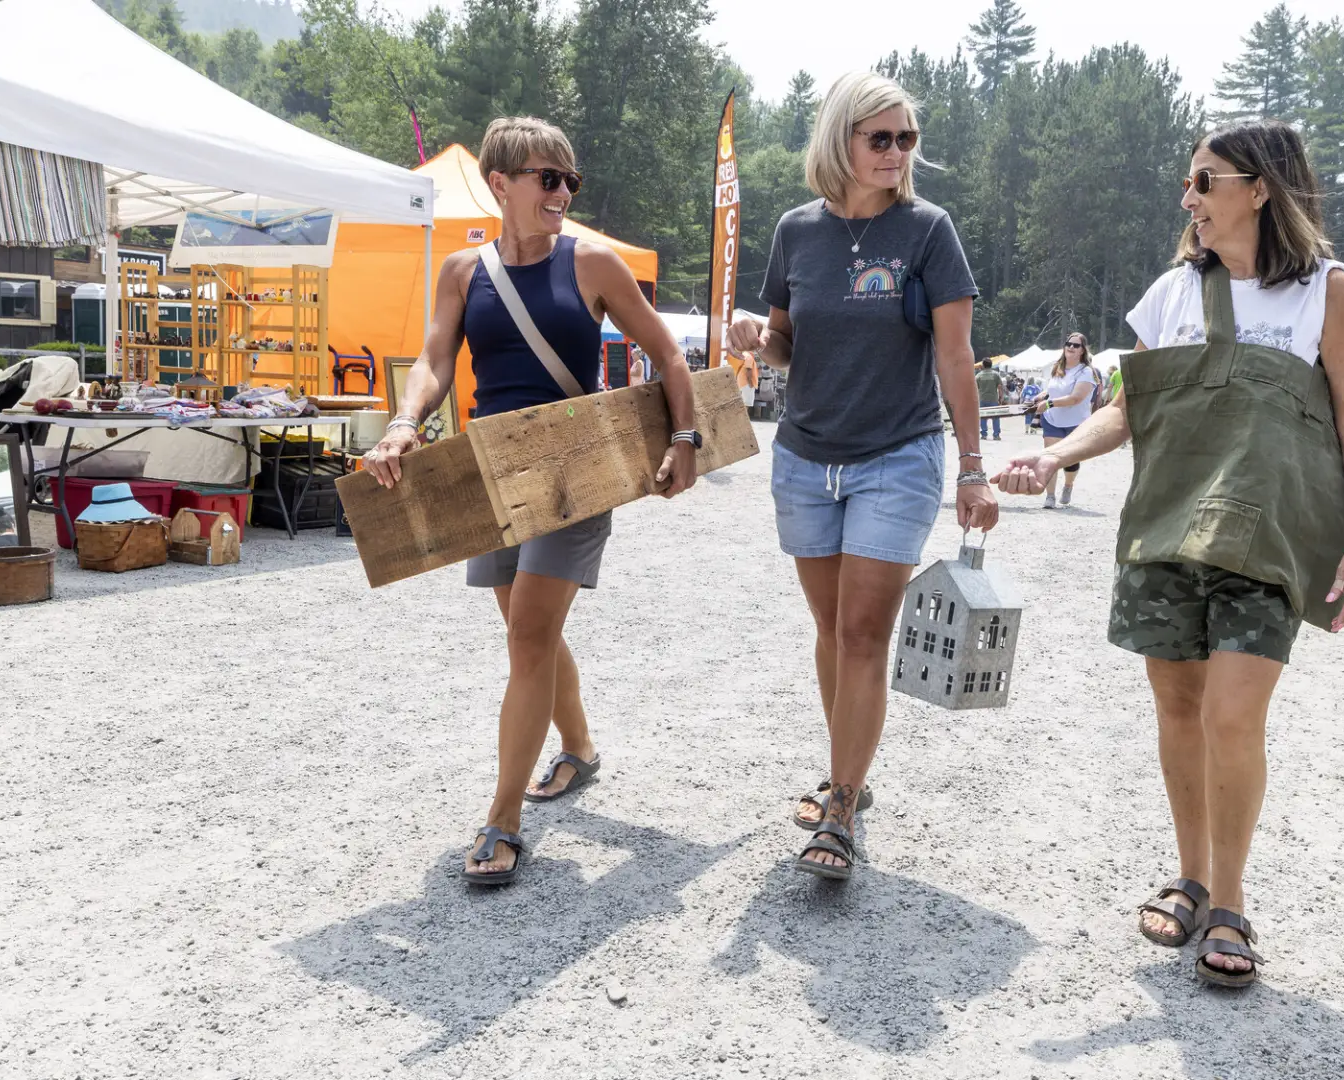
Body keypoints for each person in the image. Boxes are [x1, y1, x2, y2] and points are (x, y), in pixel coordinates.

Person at [995, 119, 1344, 988]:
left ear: (1260, 189)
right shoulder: (1173, 291)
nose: (1191, 198)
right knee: (1179, 711)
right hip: (1167, 530)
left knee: (1232, 717)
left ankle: (1231, 902)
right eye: (1189, 183)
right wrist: (1054, 454)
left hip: (1270, 539)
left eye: (1205, 181)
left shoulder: (1326, 289)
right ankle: (1193, 872)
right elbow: (1130, 408)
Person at [362, 116, 699, 886]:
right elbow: (433, 360)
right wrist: (404, 424)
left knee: (530, 637)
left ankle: (503, 819)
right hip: (493, 473)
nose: (561, 192)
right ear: (500, 182)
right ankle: (578, 750)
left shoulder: (595, 264)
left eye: (569, 179)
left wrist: (686, 439)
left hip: (576, 470)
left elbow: (669, 353)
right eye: (547, 178)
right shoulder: (459, 271)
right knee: (527, 631)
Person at [728, 70, 994, 882]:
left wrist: (973, 469)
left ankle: (840, 804)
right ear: (839, 139)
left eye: (906, 139)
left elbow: (955, 356)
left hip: (897, 455)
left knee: (862, 633)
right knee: (828, 631)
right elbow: (784, 345)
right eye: (879, 137)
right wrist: (752, 336)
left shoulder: (928, 230)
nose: (895, 152)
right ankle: (850, 767)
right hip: (806, 456)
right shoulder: (795, 231)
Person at [1030, 332, 1102, 508]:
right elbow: (1052, 389)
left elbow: (1076, 398)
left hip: (1076, 422)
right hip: (1052, 420)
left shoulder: (1087, 372)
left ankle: (1068, 485)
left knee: (1069, 461)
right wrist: (1043, 395)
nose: (1071, 347)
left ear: (1082, 350)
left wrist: (1049, 403)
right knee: (1050, 458)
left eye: (1076, 345)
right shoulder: (1057, 367)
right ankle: (1050, 496)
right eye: (1068, 343)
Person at [976, 358, 1005, 439]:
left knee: (983, 417)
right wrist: (1001, 398)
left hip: (982, 399)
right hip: (993, 399)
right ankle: (996, 435)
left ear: (983, 365)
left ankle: (984, 434)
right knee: (995, 417)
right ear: (991, 365)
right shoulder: (996, 374)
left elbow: (975, 388)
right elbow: (1000, 387)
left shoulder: (978, 375)